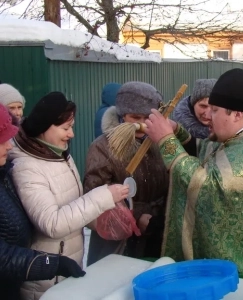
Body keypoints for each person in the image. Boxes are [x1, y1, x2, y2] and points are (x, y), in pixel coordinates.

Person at [144, 68, 243, 283]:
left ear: (237, 114)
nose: (208, 116)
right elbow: (211, 154)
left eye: (215, 110)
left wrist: (166, 140)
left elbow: (208, 182)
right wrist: (177, 132)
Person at [9, 92, 129, 300]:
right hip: (45, 281)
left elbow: (74, 204)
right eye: (65, 128)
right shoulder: (26, 167)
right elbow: (52, 223)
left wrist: (104, 212)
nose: (71, 134)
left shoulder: (59, 153)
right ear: (44, 127)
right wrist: (102, 197)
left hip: (66, 268)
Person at [0, 104, 86, 300]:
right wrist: (49, 263)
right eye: (2, 140)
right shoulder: (23, 168)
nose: (9, 145)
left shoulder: (4, 175)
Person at [84, 81, 169, 266]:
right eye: (135, 117)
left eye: (148, 117)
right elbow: (96, 196)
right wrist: (137, 216)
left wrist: (160, 218)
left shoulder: (160, 142)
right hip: (118, 240)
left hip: (157, 233)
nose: (142, 124)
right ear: (122, 115)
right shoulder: (103, 147)